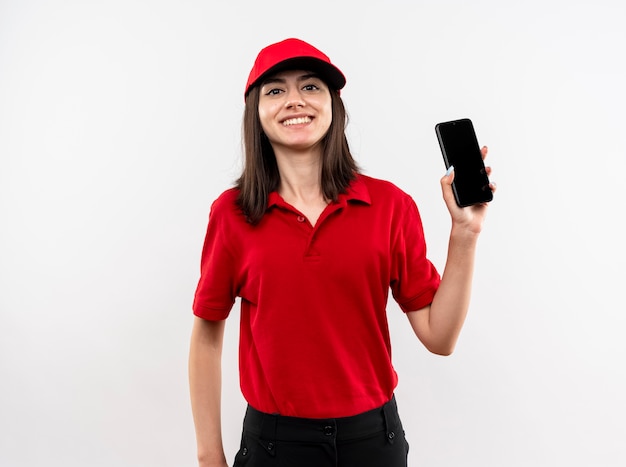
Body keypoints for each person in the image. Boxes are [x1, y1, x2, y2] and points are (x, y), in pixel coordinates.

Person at [189, 37, 494, 467]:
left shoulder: (390, 206)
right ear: (255, 113)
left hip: (373, 441)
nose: (295, 100)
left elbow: (439, 337)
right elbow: (207, 334)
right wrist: (208, 457)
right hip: (275, 445)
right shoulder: (232, 214)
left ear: (334, 106)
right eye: (276, 90)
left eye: (311, 87)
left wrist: (465, 233)